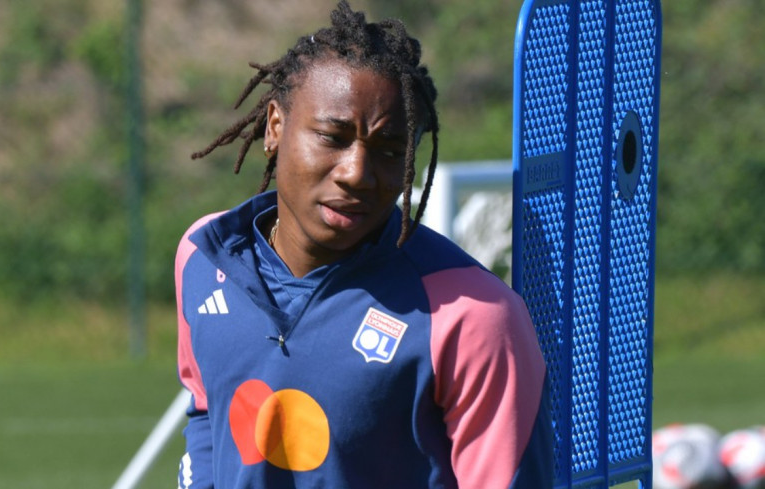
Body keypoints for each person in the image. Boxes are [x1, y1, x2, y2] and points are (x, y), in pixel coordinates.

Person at [175, 2, 553, 487]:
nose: (357, 173)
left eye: (390, 152)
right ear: (274, 127)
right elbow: (207, 410)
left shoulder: (473, 317)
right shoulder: (204, 256)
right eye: (333, 137)